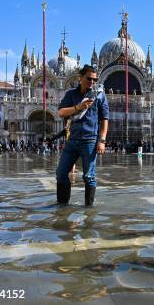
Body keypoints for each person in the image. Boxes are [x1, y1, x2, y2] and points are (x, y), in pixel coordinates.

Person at [54, 65, 109, 206]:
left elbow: (104, 119)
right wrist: (78, 107)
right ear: (80, 77)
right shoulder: (71, 94)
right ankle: (62, 207)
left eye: (95, 80)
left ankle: (89, 210)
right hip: (72, 140)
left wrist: (102, 140)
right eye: (89, 78)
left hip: (90, 140)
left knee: (88, 176)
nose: (92, 82)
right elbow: (61, 112)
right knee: (61, 173)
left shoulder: (99, 95)